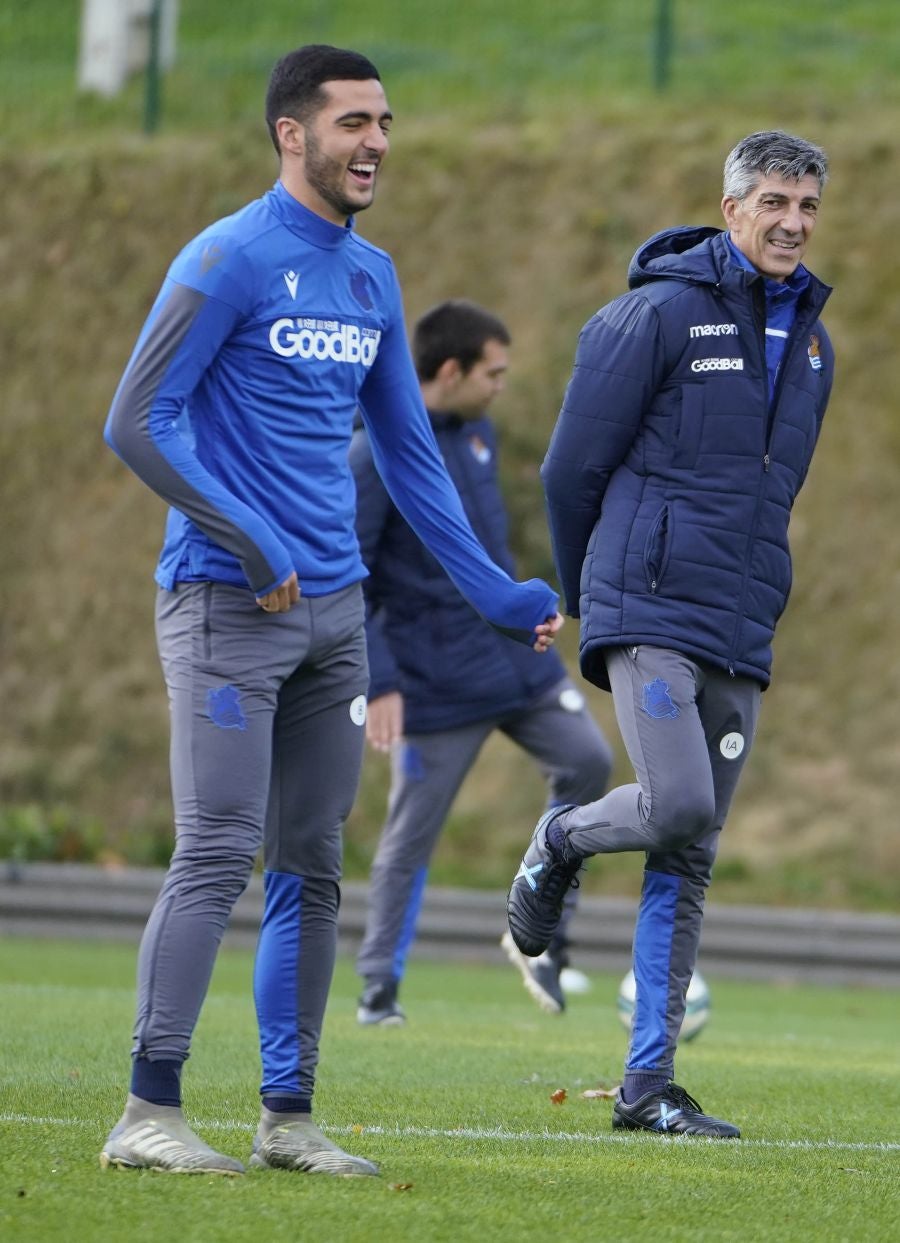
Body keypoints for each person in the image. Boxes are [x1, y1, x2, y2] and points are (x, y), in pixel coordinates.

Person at [100, 45, 562, 1179]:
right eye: (354, 122)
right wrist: (249, 539)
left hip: (335, 621)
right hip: (225, 602)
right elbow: (138, 421)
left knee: (311, 862)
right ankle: (147, 1111)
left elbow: (412, 457)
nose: (378, 143)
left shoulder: (372, 277)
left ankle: (288, 1116)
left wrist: (496, 594)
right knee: (216, 850)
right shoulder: (228, 256)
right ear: (290, 135)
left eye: (386, 121)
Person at [506, 131, 833, 1138]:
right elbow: (569, 471)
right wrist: (589, 592)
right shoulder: (652, 316)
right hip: (645, 606)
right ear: (730, 208)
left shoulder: (818, 344)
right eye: (773, 201)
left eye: (808, 206)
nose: (792, 221)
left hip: (740, 621)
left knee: (688, 851)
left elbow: (774, 491)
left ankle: (647, 1090)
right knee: (678, 801)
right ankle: (557, 843)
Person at [351, 300, 614, 1024]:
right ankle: (379, 990)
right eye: (492, 373)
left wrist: (528, 608)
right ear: (449, 371)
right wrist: (382, 681)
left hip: (519, 668)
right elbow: (355, 575)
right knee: (411, 835)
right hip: (434, 682)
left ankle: (542, 930)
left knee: (590, 761)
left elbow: (488, 551)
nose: (502, 384)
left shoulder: (479, 437)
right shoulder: (375, 453)